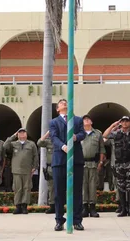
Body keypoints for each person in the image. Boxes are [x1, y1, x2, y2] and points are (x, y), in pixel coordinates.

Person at [49, 99, 86, 231]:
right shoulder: (54, 122)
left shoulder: (77, 120)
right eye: (61, 102)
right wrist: (63, 146)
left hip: (76, 160)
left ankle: (77, 220)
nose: (64, 103)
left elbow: (83, 134)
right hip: (60, 160)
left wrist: (76, 137)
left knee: (76, 191)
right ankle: (59, 220)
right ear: (57, 109)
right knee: (59, 192)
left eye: (66, 102)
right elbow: (53, 137)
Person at [103, 116, 130, 218]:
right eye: (123, 121)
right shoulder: (116, 134)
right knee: (121, 187)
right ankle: (123, 209)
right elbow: (105, 135)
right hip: (119, 164)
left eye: (127, 121)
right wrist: (113, 125)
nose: (125, 123)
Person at [3, 127, 38, 215]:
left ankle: (24, 206)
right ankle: (18, 206)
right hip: (16, 170)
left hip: (27, 169)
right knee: (17, 188)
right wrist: (13, 136)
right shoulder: (14, 144)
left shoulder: (31, 144)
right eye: (20, 133)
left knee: (26, 188)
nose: (22, 134)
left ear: (26, 134)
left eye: (24, 133)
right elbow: (4, 146)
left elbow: (35, 156)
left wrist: (34, 166)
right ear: (17, 134)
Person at [81, 114, 105, 218]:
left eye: (88, 119)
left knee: (92, 186)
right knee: (83, 186)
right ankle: (84, 207)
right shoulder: (79, 133)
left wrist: (100, 162)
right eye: (84, 120)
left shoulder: (97, 134)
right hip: (82, 163)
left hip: (93, 164)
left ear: (91, 122)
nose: (86, 121)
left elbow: (102, 149)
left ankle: (92, 207)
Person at [37, 130, 56, 214]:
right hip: (50, 167)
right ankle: (52, 205)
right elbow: (39, 143)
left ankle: (60, 205)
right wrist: (47, 133)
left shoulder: (63, 140)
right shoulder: (48, 141)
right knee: (51, 187)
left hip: (60, 166)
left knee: (61, 187)